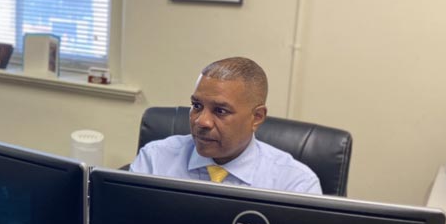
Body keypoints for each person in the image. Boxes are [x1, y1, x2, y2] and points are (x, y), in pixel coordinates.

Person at [130, 57, 321, 194]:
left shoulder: (295, 184)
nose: (201, 121)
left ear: (257, 117)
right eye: (196, 106)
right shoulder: (155, 160)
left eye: (220, 111)